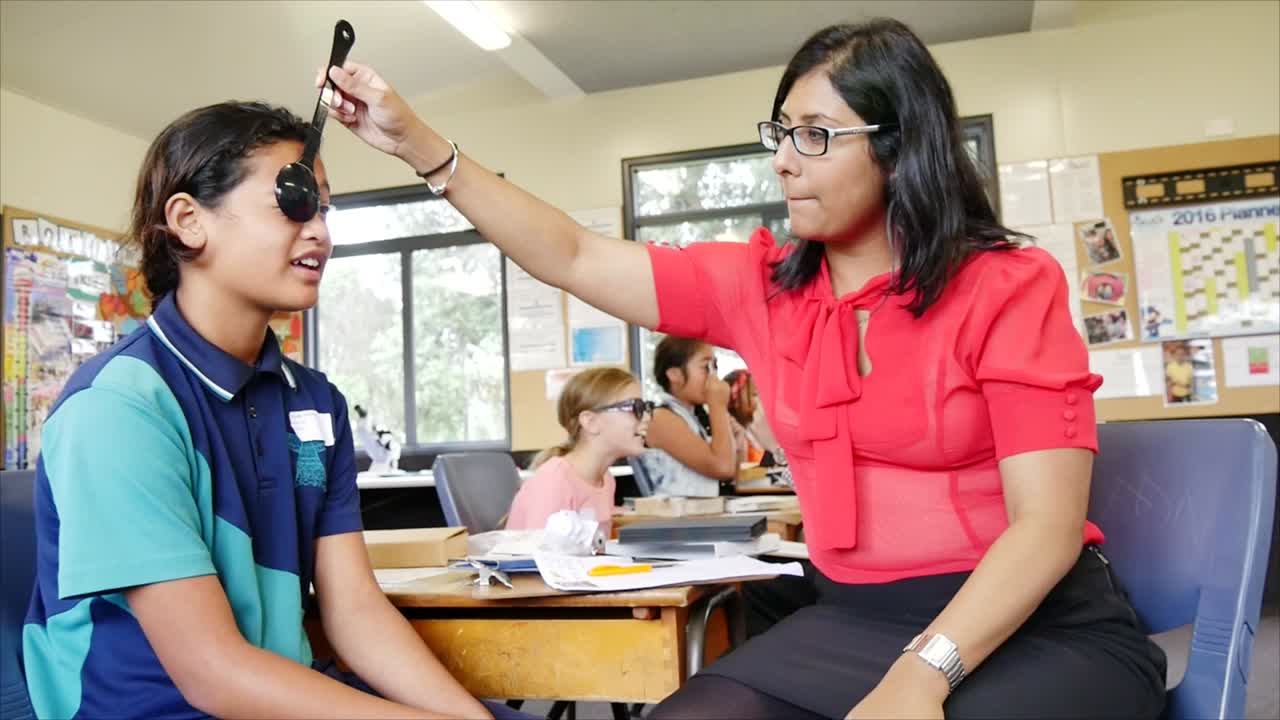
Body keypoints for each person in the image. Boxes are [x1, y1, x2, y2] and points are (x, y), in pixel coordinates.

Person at [323, 16, 1167, 719]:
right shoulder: (759, 286)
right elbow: (575, 255)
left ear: (900, 147)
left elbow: (1047, 527)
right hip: (850, 621)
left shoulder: (1007, 287)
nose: (783, 160)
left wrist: (923, 673)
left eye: (815, 137)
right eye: (781, 133)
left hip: (1027, 625)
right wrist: (422, 149)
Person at [21, 101, 529, 720]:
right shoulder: (119, 408)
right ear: (188, 220)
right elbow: (215, 675)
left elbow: (354, 612)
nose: (319, 230)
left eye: (324, 207)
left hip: (285, 693)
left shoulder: (316, 401)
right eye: (293, 202)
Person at [508, 367, 651, 537]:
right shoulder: (554, 481)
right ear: (590, 422)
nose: (647, 417)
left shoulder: (606, 480)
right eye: (635, 408)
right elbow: (539, 557)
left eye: (646, 408)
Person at [636, 336, 742, 497]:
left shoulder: (694, 416)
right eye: (706, 367)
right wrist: (718, 406)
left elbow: (733, 474)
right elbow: (723, 468)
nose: (713, 377)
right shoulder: (661, 418)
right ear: (675, 375)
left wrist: (735, 437)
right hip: (676, 520)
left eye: (715, 367)